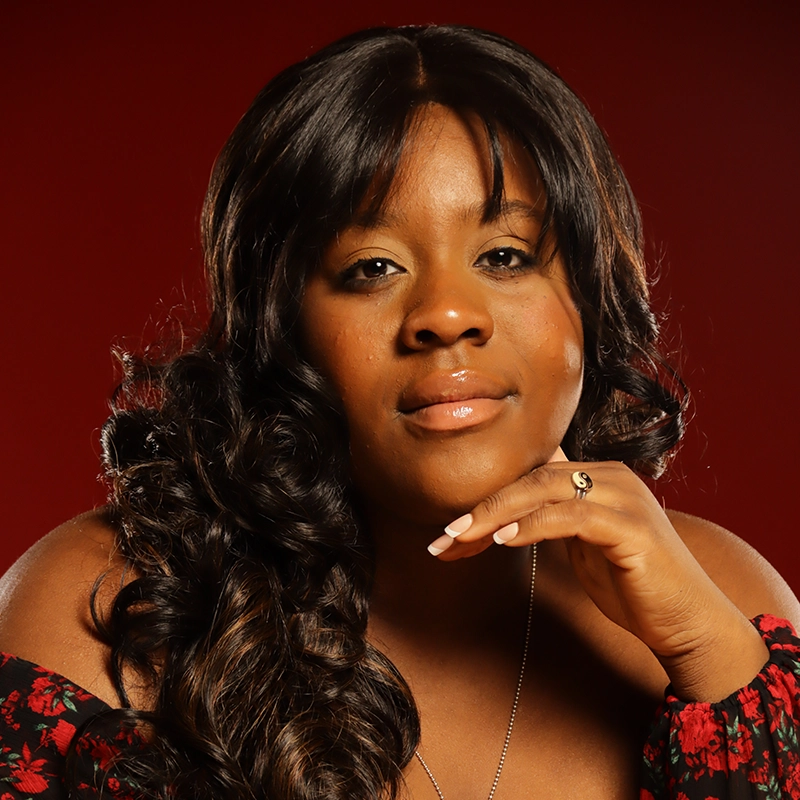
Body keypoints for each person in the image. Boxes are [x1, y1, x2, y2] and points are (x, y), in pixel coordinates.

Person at [1, 24, 799, 800]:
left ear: (590, 298)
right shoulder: (103, 613)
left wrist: (710, 657)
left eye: (505, 256)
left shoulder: (722, 601)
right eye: (372, 267)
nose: (447, 315)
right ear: (281, 328)